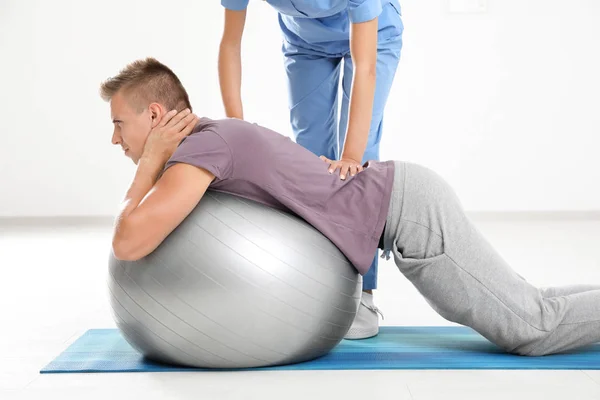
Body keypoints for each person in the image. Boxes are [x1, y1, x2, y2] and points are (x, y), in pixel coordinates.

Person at [101, 58, 600, 356]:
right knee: (530, 301)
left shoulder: (202, 150)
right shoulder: (211, 140)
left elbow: (130, 241)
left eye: (120, 123)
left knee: (530, 327)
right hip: (403, 203)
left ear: (155, 114)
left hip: (408, 212)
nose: (114, 138)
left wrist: (146, 169)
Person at [218, 0, 404, 339]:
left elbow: (365, 68)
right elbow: (230, 42)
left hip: (373, 34)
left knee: (359, 166)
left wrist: (349, 156)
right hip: (304, 43)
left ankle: (361, 291)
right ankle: (319, 283)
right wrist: (235, 125)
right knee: (308, 158)